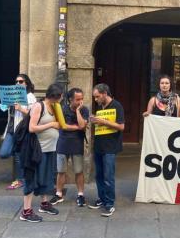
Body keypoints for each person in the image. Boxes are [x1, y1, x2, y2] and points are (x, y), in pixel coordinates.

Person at [20, 83, 62, 222]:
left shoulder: (55, 107)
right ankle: (26, 211)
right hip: (37, 149)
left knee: (47, 176)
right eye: (60, 97)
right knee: (32, 178)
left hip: (50, 148)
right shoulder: (39, 106)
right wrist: (51, 125)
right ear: (55, 96)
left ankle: (44, 203)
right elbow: (32, 128)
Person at [88, 83, 125, 217]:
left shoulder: (117, 106)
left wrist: (103, 122)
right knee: (99, 175)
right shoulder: (101, 106)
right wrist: (94, 121)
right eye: (95, 97)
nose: (96, 99)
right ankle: (102, 199)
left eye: (97, 97)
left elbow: (121, 126)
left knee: (108, 176)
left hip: (110, 146)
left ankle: (109, 203)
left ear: (104, 94)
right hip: (99, 145)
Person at [50, 88, 89, 207]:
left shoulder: (84, 110)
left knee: (78, 170)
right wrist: (77, 127)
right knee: (61, 170)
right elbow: (63, 126)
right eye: (78, 99)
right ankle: (58, 193)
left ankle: (81, 194)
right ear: (70, 99)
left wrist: (78, 111)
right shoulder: (62, 109)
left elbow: (82, 125)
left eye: (82, 99)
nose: (80, 101)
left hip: (77, 143)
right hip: (63, 142)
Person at [0, 74, 37, 190]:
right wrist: (5, 104)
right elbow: (5, 109)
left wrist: (21, 108)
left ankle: (20, 180)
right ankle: (23, 174)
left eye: (21, 81)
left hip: (22, 130)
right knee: (4, 153)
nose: (18, 83)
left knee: (18, 156)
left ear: (26, 83)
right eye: (16, 81)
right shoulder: (12, 95)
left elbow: (32, 114)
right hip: (11, 129)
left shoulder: (30, 97)